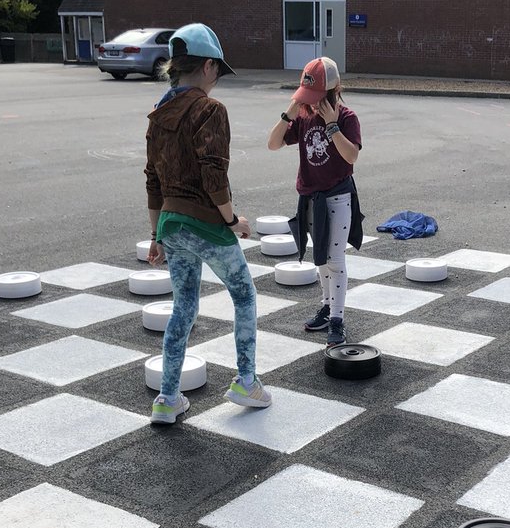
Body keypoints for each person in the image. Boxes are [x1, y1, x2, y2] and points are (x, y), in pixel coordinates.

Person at [145, 23, 271, 425]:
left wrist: (155, 235)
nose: (217, 78)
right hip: (205, 223)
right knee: (244, 295)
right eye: (217, 69)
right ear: (207, 67)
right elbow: (213, 175)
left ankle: (167, 398)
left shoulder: (159, 113)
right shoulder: (210, 110)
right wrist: (233, 220)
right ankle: (246, 380)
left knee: (184, 306)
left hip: (171, 225)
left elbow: (153, 179)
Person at [267, 57, 363, 346]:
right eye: (306, 97)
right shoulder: (304, 116)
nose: (311, 104)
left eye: (316, 97)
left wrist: (332, 126)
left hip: (338, 197)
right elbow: (272, 143)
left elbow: (352, 156)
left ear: (334, 91)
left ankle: (337, 318)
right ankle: (326, 304)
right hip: (310, 197)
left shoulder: (347, 117)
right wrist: (290, 111)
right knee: (320, 257)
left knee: (334, 259)